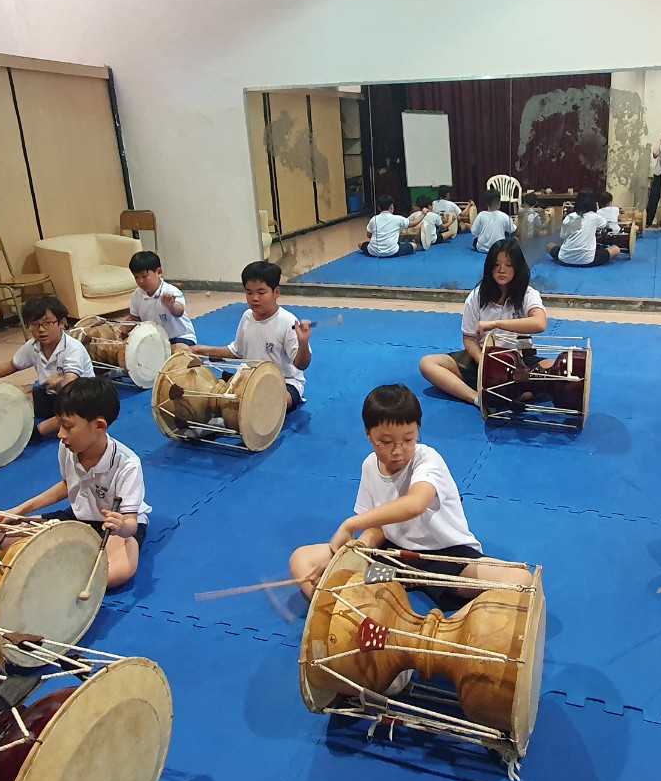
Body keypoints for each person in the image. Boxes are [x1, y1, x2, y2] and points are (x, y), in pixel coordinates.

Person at [288, 384, 521, 609]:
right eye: (386, 442)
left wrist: (350, 524)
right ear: (368, 435)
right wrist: (351, 555)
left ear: (418, 429)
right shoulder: (370, 465)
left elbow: (415, 504)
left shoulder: (428, 460)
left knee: (518, 580)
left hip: (446, 557)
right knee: (302, 559)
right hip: (395, 558)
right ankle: (338, 613)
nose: (398, 450)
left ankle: (444, 627)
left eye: (408, 439)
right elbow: (378, 529)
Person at [3, 378, 149, 590]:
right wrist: (21, 510)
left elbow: (131, 522)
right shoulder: (67, 447)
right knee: (5, 537)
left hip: (116, 526)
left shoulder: (128, 465)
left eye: (67, 426)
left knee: (118, 571)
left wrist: (122, 527)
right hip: (81, 516)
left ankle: (61, 584)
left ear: (99, 426)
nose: (60, 434)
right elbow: (67, 485)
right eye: (59, 425)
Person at [418, 238, 548, 404]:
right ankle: (478, 398)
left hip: (519, 362)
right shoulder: (477, 296)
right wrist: (484, 362)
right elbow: (469, 338)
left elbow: (540, 323)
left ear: (518, 267)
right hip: (483, 359)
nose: (501, 270)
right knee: (428, 363)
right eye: (496, 264)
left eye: (508, 265)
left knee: (558, 370)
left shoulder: (528, 294)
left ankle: (512, 392)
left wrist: (496, 324)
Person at [189, 260, 312, 412]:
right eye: (249, 292)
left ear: (276, 292)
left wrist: (303, 342)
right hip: (249, 379)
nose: (254, 298)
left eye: (261, 293)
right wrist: (202, 350)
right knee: (207, 394)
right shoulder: (247, 316)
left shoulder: (288, 322)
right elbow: (236, 352)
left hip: (284, 382)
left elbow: (301, 365)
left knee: (269, 403)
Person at [0, 295, 94, 437]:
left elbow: (70, 385)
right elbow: (12, 365)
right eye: (34, 324)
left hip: (80, 398)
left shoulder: (73, 348)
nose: (41, 330)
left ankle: (34, 433)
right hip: (53, 396)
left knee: (65, 417)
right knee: (18, 395)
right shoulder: (32, 346)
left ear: (61, 323)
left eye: (47, 323)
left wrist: (60, 382)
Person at [127, 250, 197, 350]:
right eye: (136, 277)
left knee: (180, 349)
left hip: (179, 337)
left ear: (159, 272)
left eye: (145, 276)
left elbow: (179, 312)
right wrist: (120, 331)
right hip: (155, 339)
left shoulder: (171, 291)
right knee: (129, 348)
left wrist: (171, 305)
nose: (140, 281)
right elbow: (134, 319)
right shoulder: (137, 294)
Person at [548, 190, 620, 267]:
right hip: (587, 261)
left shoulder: (568, 217)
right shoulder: (595, 217)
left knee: (549, 245)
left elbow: (562, 237)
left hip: (564, 260)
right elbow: (607, 225)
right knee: (616, 249)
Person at [470, 188, 515, 253]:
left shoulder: (481, 215)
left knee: (475, 239)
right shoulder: (504, 216)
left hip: (482, 248)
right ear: (499, 203)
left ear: (486, 203)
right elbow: (512, 230)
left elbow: (474, 232)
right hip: (499, 248)